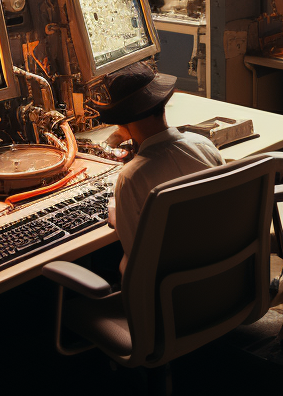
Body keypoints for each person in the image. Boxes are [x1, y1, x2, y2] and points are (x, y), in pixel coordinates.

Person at [92, 62, 222, 272]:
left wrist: (118, 216)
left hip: (167, 293)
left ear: (121, 122)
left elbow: (137, 256)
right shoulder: (204, 146)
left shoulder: (131, 178)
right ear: (161, 103)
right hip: (219, 278)